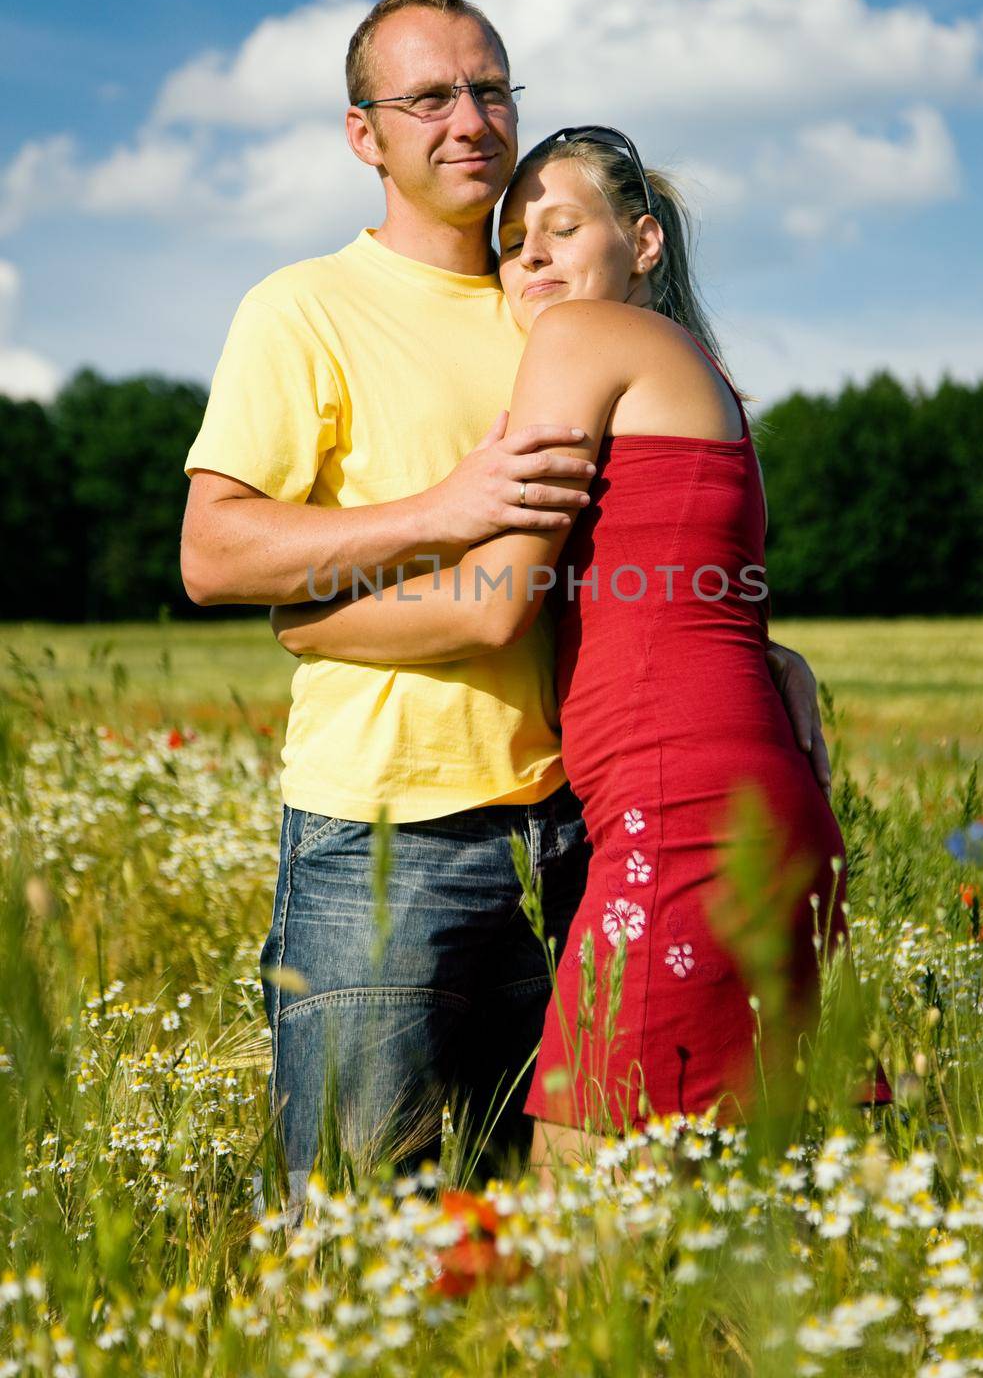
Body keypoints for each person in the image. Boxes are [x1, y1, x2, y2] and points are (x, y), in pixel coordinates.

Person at [180, 0, 830, 1196]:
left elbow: (642, 540)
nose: (468, 117)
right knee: (361, 1221)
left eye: (488, 88)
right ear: (363, 134)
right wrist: (445, 507)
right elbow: (212, 552)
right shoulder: (304, 308)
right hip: (389, 833)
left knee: (539, 1219)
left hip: (574, 821)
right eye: (428, 96)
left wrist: (762, 652)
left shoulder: (550, 307)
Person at [272, 121, 883, 1161]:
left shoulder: (578, 339)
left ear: (642, 244)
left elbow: (491, 605)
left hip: (678, 810)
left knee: (574, 1215)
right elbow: (704, 595)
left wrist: (310, 617)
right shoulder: (706, 380)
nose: (534, 258)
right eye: (514, 242)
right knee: (717, 1205)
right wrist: (785, 662)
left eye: (563, 228)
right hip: (751, 804)